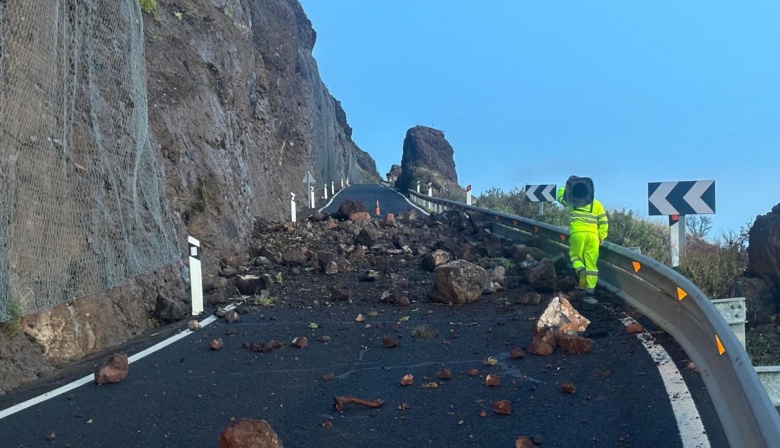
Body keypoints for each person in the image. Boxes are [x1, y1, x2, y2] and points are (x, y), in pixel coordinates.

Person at [556, 176, 609, 299]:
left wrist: (569, 185)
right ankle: (590, 290)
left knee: (575, 256)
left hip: (577, 234)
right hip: (593, 236)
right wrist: (602, 235)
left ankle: (580, 270)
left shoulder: (571, 203)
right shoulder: (596, 204)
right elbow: (604, 222)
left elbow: (559, 195)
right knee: (591, 263)